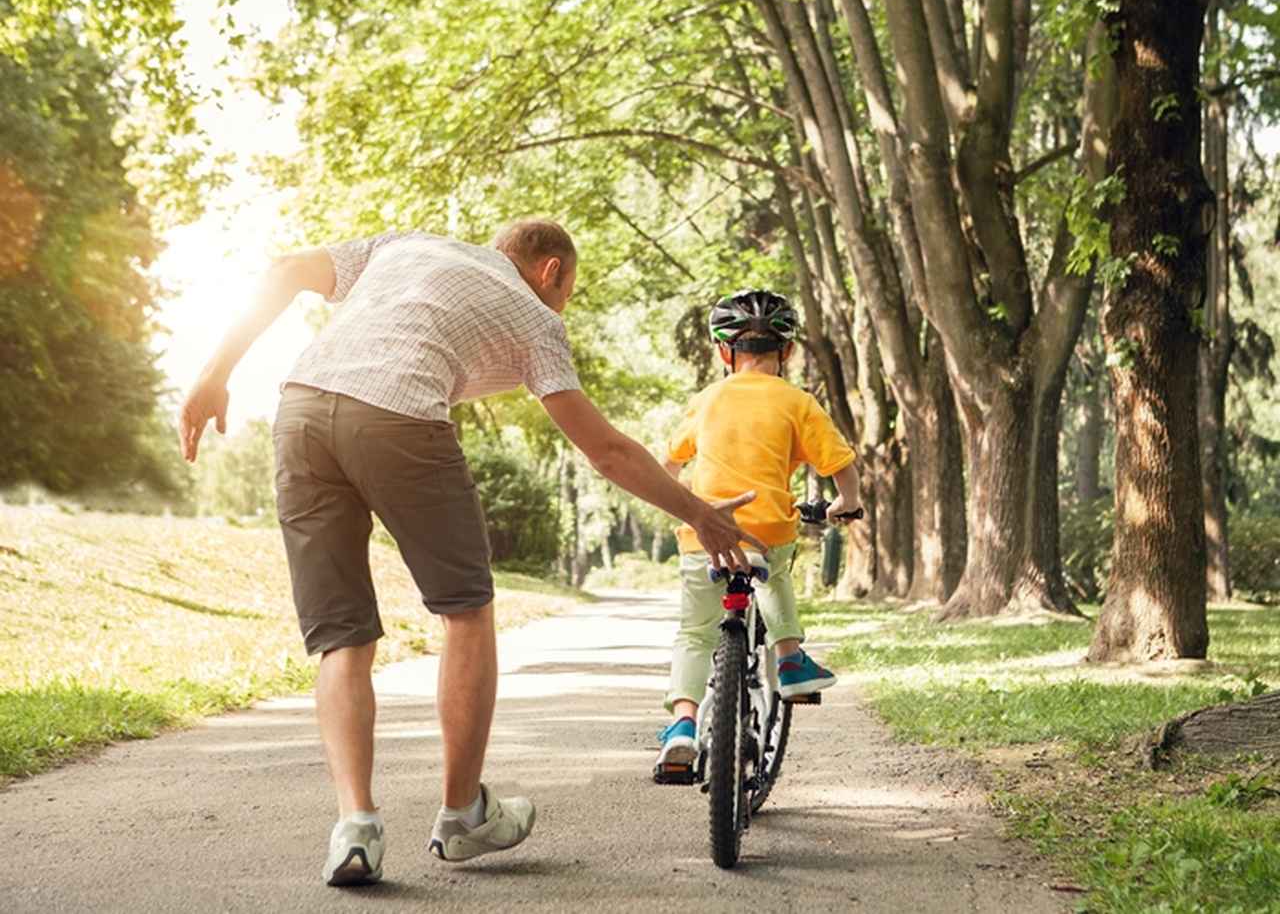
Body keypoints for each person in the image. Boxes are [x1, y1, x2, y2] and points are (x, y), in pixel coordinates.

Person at [177, 220, 765, 886]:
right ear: (550, 272)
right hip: (399, 417)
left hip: (302, 412)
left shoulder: (403, 245)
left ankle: (356, 826)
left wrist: (212, 374)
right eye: (568, 289)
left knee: (341, 636)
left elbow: (283, 268)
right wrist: (699, 515)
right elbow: (605, 449)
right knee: (465, 611)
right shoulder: (535, 315)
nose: (562, 303)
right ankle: (461, 815)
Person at [653, 289, 861, 777]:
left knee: (694, 632)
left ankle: (683, 725)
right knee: (775, 575)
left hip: (703, 532)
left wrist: (683, 504)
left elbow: (669, 464)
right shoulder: (797, 401)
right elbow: (840, 464)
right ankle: (789, 659)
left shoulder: (706, 400)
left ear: (724, 352)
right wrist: (845, 504)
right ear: (786, 351)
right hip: (766, 527)